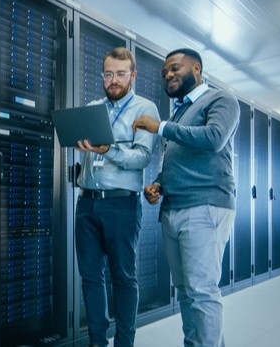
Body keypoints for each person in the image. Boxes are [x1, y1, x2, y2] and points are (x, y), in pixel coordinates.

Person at [132, 48, 240, 347]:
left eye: (176, 68)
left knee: (202, 291)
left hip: (205, 205)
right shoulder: (179, 112)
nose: (168, 74)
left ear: (197, 69)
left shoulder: (222, 99)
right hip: (173, 208)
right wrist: (158, 185)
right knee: (185, 290)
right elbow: (174, 161)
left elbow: (214, 138)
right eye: (165, 71)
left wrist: (162, 127)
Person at [75, 47, 160, 347]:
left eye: (120, 74)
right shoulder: (92, 107)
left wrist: (107, 149)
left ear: (132, 75)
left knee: (123, 277)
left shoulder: (145, 108)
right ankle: (98, 342)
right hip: (86, 203)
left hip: (121, 204)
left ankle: (125, 343)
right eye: (108, 74)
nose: (113, 80)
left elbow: (142, 158)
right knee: (90, 278)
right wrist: (80, 144)